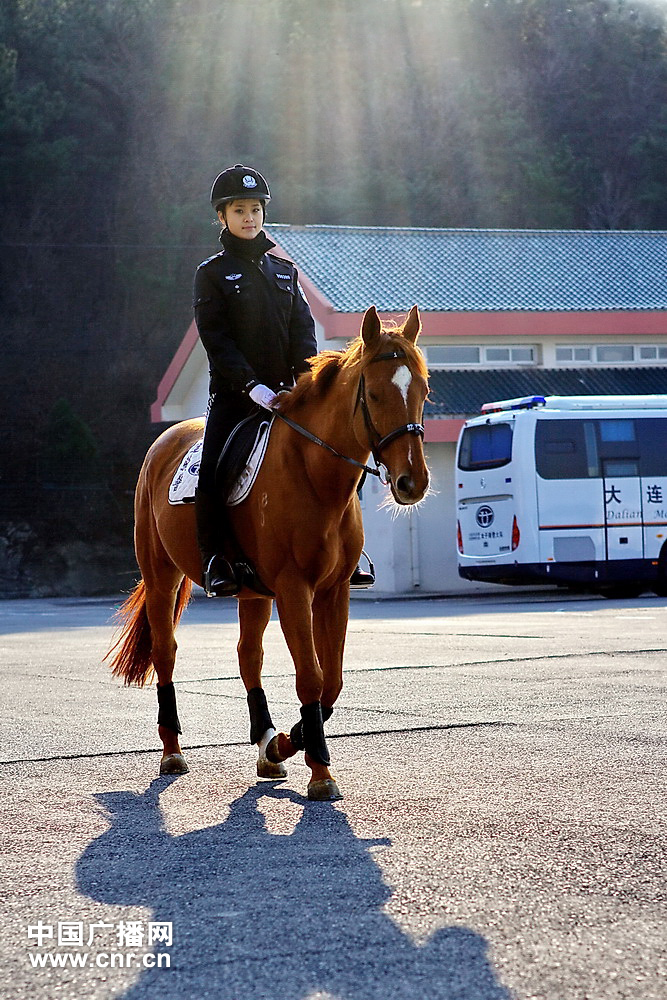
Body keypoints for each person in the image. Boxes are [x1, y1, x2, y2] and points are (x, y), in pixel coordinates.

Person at [193, 163, 375, 596]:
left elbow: (302, 333)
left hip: (290, 396)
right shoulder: (212, 274)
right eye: (239, 210)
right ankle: (215, 557)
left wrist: (303, 382)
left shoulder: (284, 272)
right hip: (236, 399)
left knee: (341, 456)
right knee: (213, 472)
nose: (249, 217)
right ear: (222, 216)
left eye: (256, 209)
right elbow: (216, 341)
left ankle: (349, 551)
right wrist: (252, 387)